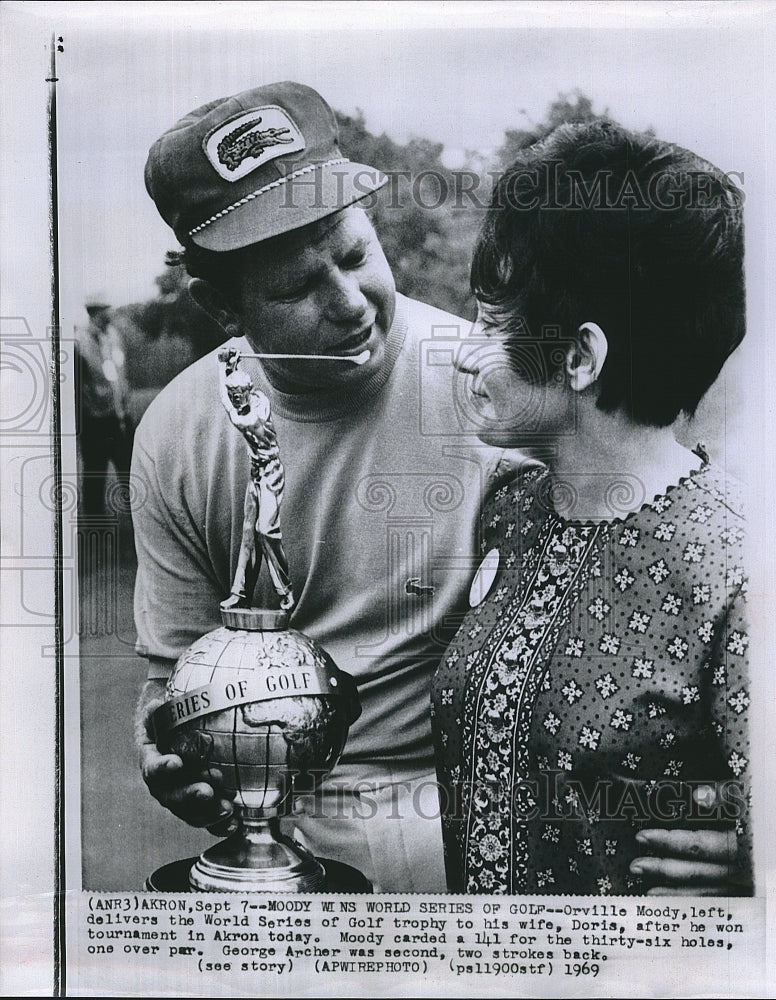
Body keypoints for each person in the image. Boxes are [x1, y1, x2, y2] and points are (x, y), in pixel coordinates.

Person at [134, 81, 738, 893]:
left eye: (354, 256)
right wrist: (167, 748)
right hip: (279, 831)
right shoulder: (178, 433)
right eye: (295, 289)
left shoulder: (506, 396)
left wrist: (750, 833)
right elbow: (171, 672)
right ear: (220, 307)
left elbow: (653, 583)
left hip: (460, 815)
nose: (348, 303)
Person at [431, 121, 752, 895]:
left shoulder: (739, 568)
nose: (466, 350)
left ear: (578, 357)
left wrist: (766, 873)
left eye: (492, 320)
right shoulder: (508, 511)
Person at [217, 346, 294, 612]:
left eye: (238, 395)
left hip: (271, 472)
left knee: (266, 531)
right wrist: (229, 368)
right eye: (233, 395)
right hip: (255, 473)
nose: (235, 399)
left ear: (248, 392)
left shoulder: (253, 413)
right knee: (248, 535)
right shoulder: (250, 401)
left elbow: (232, 407)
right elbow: (227, 395)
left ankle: (284, 591)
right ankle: (240, 593)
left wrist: (224, 368)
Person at [75, 296, 133, 516]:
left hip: (120, 415)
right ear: (95, 312)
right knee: (95, 473)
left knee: (129, 468)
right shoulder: (80, 341)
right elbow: (79, 384)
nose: (110, 313)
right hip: (96, 420)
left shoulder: (113, 336)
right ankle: (95, 525)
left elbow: (120, 370)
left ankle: (140, 520)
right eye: (106, 309)